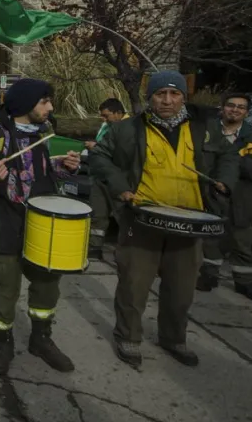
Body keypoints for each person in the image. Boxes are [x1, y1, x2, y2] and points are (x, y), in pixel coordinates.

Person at [89, 71, 238, 368]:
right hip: (142, 218)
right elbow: (99, 157)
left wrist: (224, 181)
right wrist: (121, 188)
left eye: (174, 94)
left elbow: (229, 157)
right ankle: (128, 337)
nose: (167, 101)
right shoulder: (127, 129)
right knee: (133, 285)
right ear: (150, 98)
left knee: (181, 288)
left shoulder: (205, 128)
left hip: (189, 221)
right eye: (160, 94)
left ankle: (173, 338)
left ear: (184, 97)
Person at [0, 78, 81, 376]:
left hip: (41, 223)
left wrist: (64, 166)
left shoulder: (41, 133)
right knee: (5, 286)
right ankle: (3, 342)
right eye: (44, 101)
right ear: (26, 104)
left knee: (47, 284)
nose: (50, 107)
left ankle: (41, 338)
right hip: (5, 221)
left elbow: (37, 172)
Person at [196, 93, 252, 303]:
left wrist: (230, 159)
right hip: (210, 194)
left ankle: (244, 282)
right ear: (222, 108)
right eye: (231, 105)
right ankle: (208, 276)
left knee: (242, 241)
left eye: (241, 107)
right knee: (210, 239)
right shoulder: (205, 132)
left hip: (241, 198)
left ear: (246, 113)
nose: (235, 110)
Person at [84, 98, 128, 259]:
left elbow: (121, 153)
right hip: (100, 177)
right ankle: (94, 247)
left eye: (106, 115)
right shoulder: (108, 126)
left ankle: (126, 250)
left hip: (117, 179)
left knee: (123, 216)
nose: (104, 119)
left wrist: (95, 147)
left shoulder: (129, 128)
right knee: (98, 214)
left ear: (118, 113)